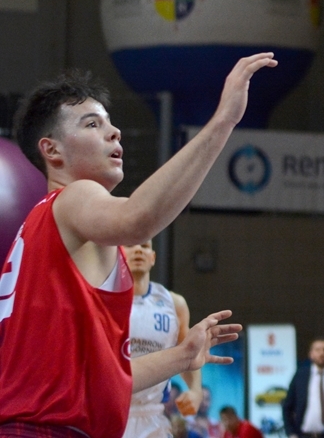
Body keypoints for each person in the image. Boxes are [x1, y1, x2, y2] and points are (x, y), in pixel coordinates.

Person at [0, 53, 275, 437]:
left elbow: (105, 380)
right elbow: (138, 219)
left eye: (110, 123)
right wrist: (223, 121)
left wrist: (182, 356)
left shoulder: (46, 230)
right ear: (52, 150)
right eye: (92, 124)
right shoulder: (74, 197)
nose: (114, 132)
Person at [123, 240, 202, 438]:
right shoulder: (100, 300)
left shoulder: (174, 304)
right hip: (110, 414)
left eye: (145, 246)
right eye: (131, 245)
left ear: (153, 258)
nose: (138, 250)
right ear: (118, 254)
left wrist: (195, 390)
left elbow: (187, 355)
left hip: (153, 417)